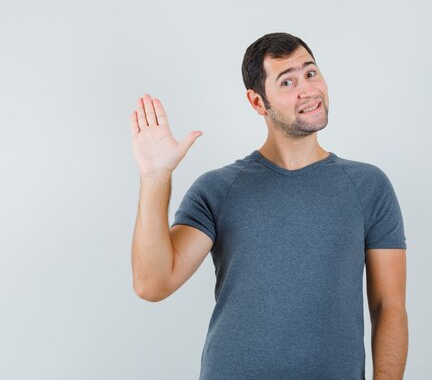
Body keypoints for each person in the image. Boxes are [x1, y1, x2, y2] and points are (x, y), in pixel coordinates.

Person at [130, 32, 408, 380]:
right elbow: (153, 284)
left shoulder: (368, 186)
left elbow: (389, 307)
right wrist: (156, 177)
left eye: (310, 73)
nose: (307, 90)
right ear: (258, 102)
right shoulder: (219, 189)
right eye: (287, 81)